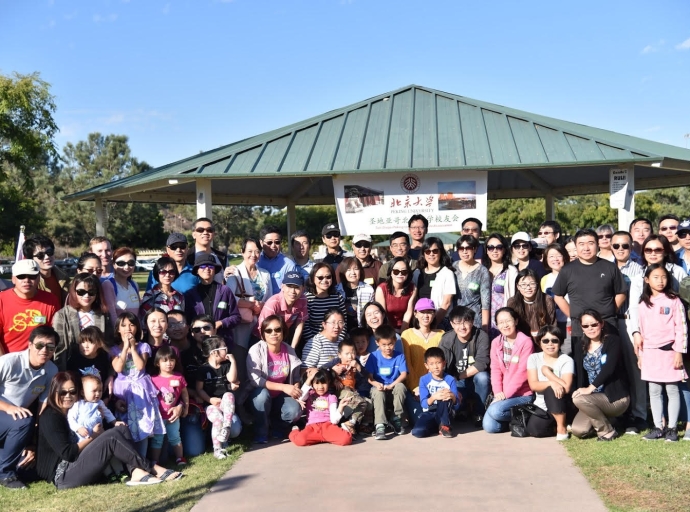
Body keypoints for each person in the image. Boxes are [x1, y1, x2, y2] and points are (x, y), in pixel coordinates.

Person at [37, 371, 181, 489]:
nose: (68, 396)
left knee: (121, 428)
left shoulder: (76, 409)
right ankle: (151, 467)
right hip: (63, 475)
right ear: (53, 392)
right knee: (111, 436)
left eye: (72, 391)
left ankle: (136, 471)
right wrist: (93, 436)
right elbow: (67, 453)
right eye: (62, 392)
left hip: (79, 461)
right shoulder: (50, 416)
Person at [552, 228, 627, 378]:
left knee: (611, 368)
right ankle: (581, 400)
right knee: (581, 370)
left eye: (590, 243)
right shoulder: (567, 270)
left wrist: (609, 311)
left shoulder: (610, 267)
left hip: (607, 325)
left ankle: (611, 400)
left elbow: (621, 292)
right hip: (580, 329)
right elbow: (558, 296)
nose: (586, 248)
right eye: (581, 244)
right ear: (576, 246)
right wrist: (573, 315)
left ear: (598, 244)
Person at [0, 326, 58, 489]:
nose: (44, 350)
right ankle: (5, 475)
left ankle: (11, 465)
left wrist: (33, 443)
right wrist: (8, 408)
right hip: (7, 411)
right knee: (24, 420)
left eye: (50, 346)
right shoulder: (8, 361)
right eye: (40, 345)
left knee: (27, 466)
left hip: (13, 420)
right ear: (30, 345)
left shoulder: (51, 370)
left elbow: (43, 407)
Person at [637, 264, 687, 442]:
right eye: (656, 277)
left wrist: (679, 352)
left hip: (670, 352)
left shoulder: (674, 301)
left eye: (664, 277)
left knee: (672, 390)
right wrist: (640, 356)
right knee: (654, 390)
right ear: (647, 280)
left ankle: (672, 428)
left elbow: (681, 328)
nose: (660, 281)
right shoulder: (643, 303)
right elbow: (641, 332)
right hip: (650, 353)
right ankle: (658, 427)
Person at [110, 312, 165, 457]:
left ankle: (145, 458)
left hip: (141, 392)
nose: (128, 328)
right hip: (124, 392)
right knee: (126, 424)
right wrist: (124, 349)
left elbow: (140, 366)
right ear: (118, 329)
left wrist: (133, 348)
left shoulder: (144, 347)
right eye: (124, 325)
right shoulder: (114, 349)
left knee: (143, 425)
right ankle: (130, 460)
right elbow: (118, 368)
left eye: (132, 324)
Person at [571, 309, 630, 441]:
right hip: (592, 400)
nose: (590, 328)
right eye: (586, 326)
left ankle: (607, 431)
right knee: (578, 430)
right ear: (582, 328)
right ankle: (608, 421)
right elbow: (580, 375)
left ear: (601, 324)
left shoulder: (613, 341)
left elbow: (609, 369)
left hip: (615, 398)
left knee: (580, 399)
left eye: (594, 324)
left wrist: (589, 388)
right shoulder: (580, 346)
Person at [610, 231, 647, 434]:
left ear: (631, 247)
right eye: (617, 246)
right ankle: (618, 413)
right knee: (614, 370)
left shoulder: (638, 271)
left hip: (629, 323)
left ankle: (639, 414)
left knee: (635, 371)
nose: (621, 249)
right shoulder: (605, 267)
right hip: (609, 323)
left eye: (625, 246)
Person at [246, 315, 303, 443]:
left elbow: (296, 377)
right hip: (258, 395)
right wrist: (283, 387)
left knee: (295, 411)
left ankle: (278, 427)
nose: (274, 333)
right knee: (262, 395)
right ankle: (261, 432)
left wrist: (296, 390)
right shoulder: (255, 350)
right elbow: (255, 380)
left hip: (279, 397)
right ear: (263, 334)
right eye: (269, 330)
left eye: (278, 329)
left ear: (283, 331)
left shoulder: (289, 350)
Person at [483, 307, 534, 433]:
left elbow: (522, 373)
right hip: (503, 395)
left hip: (523, 394)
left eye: (508, 321)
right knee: (490, 427)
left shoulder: (526, 342)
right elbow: (495, 370)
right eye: (501, 322)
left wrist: (504, 395)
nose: (505, 325)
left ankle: (528, 416)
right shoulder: (496, 342)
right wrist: (497, 392)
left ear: (515, 321)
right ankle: (516, 421)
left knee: (495, 411)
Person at [439, 306, 490, 426]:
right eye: (457, 323)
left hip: (474, 379)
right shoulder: (447, 339)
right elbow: (442, 365)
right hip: (456, 381)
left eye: (466, 322)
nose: (462, 327)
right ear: (451, 324)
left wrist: (459, 376)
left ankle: (479, 412)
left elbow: (482, 363)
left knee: (483, 377)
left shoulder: (481, 336)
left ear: (472, 322)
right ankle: (462, 410)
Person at [51, 273, 113, 370]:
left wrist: (110, 373)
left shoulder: (103, 314)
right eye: (81, 292)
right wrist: (61, 373)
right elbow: (59, 348)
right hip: (71, 367)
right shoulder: (62, 315)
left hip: (99, 368)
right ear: (73, 292)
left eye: (91, 292)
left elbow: (109, 344)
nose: (86, 295)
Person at [0, 259, 59, 356]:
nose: (26, 281)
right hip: (8, 361)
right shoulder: (1, 300)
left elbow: (54, 335)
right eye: (21, 276)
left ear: (39, 278)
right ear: (13, 279)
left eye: (32, 276)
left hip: (41, 360)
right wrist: (4, 364)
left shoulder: (51, 300)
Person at [195, 336, 241, 458]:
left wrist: (233, 362)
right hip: (211, 405)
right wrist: (210, 400)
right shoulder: (203, 369)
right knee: (217, 420)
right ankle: (217, 449)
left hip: (226, 406)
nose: (227, 351)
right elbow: (199, 389)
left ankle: (227, 427)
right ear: (214, 353)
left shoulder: (226, 365)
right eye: (224, 348)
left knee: (229, 394)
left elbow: (232, 379)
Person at [185, 253, 241, 351]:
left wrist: (221, 323)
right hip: (199, 344)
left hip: (222, 342)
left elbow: (236, 317)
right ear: (197, 270)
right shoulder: (190, 294)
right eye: (202, 266)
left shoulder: (225, 291)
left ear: (215, 270)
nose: (207, 269)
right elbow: (188, 320)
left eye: (210, 266)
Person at [526, 326, 574, 439]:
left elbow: (566, 388)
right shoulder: (533, 358)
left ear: (560, 342)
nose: (550, 344)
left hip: (562, 402)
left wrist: (547, 373)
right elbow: (533, 385)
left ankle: (562, 429)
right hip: (542, 405)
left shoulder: (566, 360)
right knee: (534, 430)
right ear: (540, 343)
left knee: (551, 389)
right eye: (546, 341)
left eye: (554, 340)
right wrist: (551, 382)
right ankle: (557, 426)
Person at [401, 299, 444, 426]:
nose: (426, 315)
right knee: (420, 421)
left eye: (430, 312)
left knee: (439, 420)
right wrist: (417, 387)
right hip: (414, 389)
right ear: (415, 313)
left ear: (434, 314)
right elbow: (407, 364)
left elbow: (441, 365)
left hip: (436, 386)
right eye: (422, 312)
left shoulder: (441, 334)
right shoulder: (407, 335)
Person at [226, 237, 272, 352]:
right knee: (241, 355)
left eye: (257, 251)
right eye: (250, 251)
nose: (254, 255)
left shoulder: (265, 274)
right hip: (242, 324)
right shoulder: (235, 272)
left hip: (260, 323)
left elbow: (270, 299)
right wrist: (251, 305)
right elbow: (229, 298)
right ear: (242, 252)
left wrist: (261, 306)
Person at [321, 338, 373, 435]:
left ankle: (358, 424)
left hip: (353, 390)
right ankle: (351, 423)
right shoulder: (335, 362)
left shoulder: (355, 361)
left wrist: (358, 367)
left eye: (353, 353)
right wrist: (333, 373)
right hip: (341, 391)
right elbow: (321, 371)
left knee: (368, 403)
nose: (350, 356)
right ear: (339, 354)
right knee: (360, 401)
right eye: (347, 353)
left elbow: (365, 376)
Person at [289, 369, 353, 447]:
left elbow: (334, 420)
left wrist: (340, 407)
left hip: (328, 427)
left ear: (328, 383)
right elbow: (301, 397)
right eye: (317, 383)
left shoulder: (332, 397)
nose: (320, 387)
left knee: (346, 439)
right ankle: (295, 430)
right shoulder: (309, 394)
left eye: (323, 383)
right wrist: (309, 379)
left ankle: (344, 429)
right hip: (312, 427)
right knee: (300, 440)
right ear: (312, 384)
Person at [366, 325, 408, 440]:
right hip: (378, 387)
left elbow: (403, 374)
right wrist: (377, 384)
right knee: (378, 392)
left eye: (390, 344)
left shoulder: (400, 356)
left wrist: (391, 385)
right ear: (377, 343)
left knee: (400, 387)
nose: (387, 348)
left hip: (393, 386)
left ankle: (396, 417)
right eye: (384, 345)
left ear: (395, 341)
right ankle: (380, 425)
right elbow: (369, 377)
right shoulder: (373, 356)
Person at [149, 346, 189, 465]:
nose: (169, 363)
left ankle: (180, 458)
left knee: (175, 437)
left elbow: (184, 393)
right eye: (165, 361)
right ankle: (154, 461)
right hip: (158, 417)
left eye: (172, 360)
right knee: (157, 440)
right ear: (157, 363)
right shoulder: (153, 379)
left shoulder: (179, 377)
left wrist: (185, 406)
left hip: (172, 416)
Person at [411, 347, 460, 438]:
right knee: (417, 432)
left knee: (444, 395)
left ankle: (445, 425)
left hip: (446, 412)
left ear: (444, 363)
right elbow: (424, 404)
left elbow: (457, 405)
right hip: (429, 412)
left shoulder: (450, 379)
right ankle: (438, 427)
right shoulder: (424, 380)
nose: (436, 367)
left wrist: (452, 396)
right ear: (426, 365)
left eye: (438, 363)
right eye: (432, 364)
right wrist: (434, 397)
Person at [256, 271, 308, 352]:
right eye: (289, 286)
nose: (293, 291)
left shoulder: (303, 299)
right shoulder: (273, 303)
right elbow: (263, 330)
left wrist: (292, 349)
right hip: (262, 337)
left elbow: (299, 325)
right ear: (282, 286)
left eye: (297, 287)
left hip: (282, 335)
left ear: (303, 289)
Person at [412, 237, 456, 325]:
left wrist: (434, 324)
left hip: (440, 321)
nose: (431, 254)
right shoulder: (417, 273)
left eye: (435, 251)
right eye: (428, 251)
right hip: (420, 321)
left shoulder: (447, 273)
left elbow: (446, 302)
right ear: (423, 254)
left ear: (441, 252)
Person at [67, 373, 121, 442]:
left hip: (98, 437)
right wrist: (78, 428)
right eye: (94, 391)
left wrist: (114, 422)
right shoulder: (78, 404)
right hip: (81, 439)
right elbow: (71, 419)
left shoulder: (99, 403)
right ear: (83, 393)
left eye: (100, 390)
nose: (98, 393)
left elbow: (107, 413)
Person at [482, 233, 517, 335]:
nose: (495, 250)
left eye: (499, 247)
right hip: (483, 318)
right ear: (486, 250)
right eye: (491, 247)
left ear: (504, 249)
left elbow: (514, 298)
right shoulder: (481, 270)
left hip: (503, 320)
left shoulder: (511, 271)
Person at [453, 235, 491, 331]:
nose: (465, 251)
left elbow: (485, 303)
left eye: (468, 248)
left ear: (475, 249)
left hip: (474, 321)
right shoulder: (453, 267)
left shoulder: (482, 271)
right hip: (455, 320)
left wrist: (485, 328)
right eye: (461, 248)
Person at [303, 263, 347, 344]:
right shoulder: (307, 299)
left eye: (328, 277)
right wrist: (315, 342)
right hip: (313, 343)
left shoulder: (337, 297)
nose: (324, 280)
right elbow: (305, 326)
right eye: (320, 277)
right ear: (313, 278)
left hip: (336, 342)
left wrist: (338, 341)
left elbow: (344, 322)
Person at [66, 326, 113, 400]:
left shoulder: (103, 358)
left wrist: (106, 399)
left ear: (100, 344)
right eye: (82, 342)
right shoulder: (74, 359)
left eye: (90, 342)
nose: (85, 346)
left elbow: (105, 379)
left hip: (99, 400)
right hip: (79, 400)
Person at [23, 234, 70, 307]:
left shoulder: (64, 276)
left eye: (49, 252)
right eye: (40, 255)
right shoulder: (29, 283)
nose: (47, 257)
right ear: (31, 258)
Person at [507, 268, 556, 338]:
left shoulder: (547, 300)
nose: (528, 288)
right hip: (521, 341)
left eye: (532, 284)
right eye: (523, 284)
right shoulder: (512, 302)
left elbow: (552, 325)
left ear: (537, 284)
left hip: (543, 339)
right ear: (518, 286)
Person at [375, 257, 417, 333]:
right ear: (390, 272)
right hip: (386, 329)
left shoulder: (412, 288)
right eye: (396, 271)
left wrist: (403, 332)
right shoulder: (381, 289)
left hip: (406, 328)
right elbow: (383, 315)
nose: (400, 274)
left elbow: (409, 312)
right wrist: (393, 331)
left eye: (404, 271)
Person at [101, 247, 140, 325]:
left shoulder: (134, 285)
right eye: (121, 263)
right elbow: (112, 315)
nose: (126, 267)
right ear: (114, 265)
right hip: (119, 333)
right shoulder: (108, 285)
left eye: (131, 263)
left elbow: (139, 314)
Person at [335, 257, 374, 332]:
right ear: (343, 272)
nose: (353, 273)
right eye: (348, 270)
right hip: (341, 331)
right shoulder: (336, 290)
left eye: (356, 269)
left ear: (360, 271)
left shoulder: (368, 289)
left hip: (362, 331)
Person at [540, 243, 570, 334]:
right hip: (552, 323)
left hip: (570, 321)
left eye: (559, 255)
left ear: (564, 257)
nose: (555, 259)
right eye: (551, 256)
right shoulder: (544, 279)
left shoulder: (572, 276)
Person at [257, 225, 296, 294]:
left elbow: (293, 290)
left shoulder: (288, 265)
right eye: (269, 242)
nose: (273, 246)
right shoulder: (255, 261)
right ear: (261, 243)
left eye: (277, 242)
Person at [143, 307, 174, 375]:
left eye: (162, 321)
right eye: (153, 321)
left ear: (167, 325)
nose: (157, 325)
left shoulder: (172, 350)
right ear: (145, 325)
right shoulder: (139, 348)